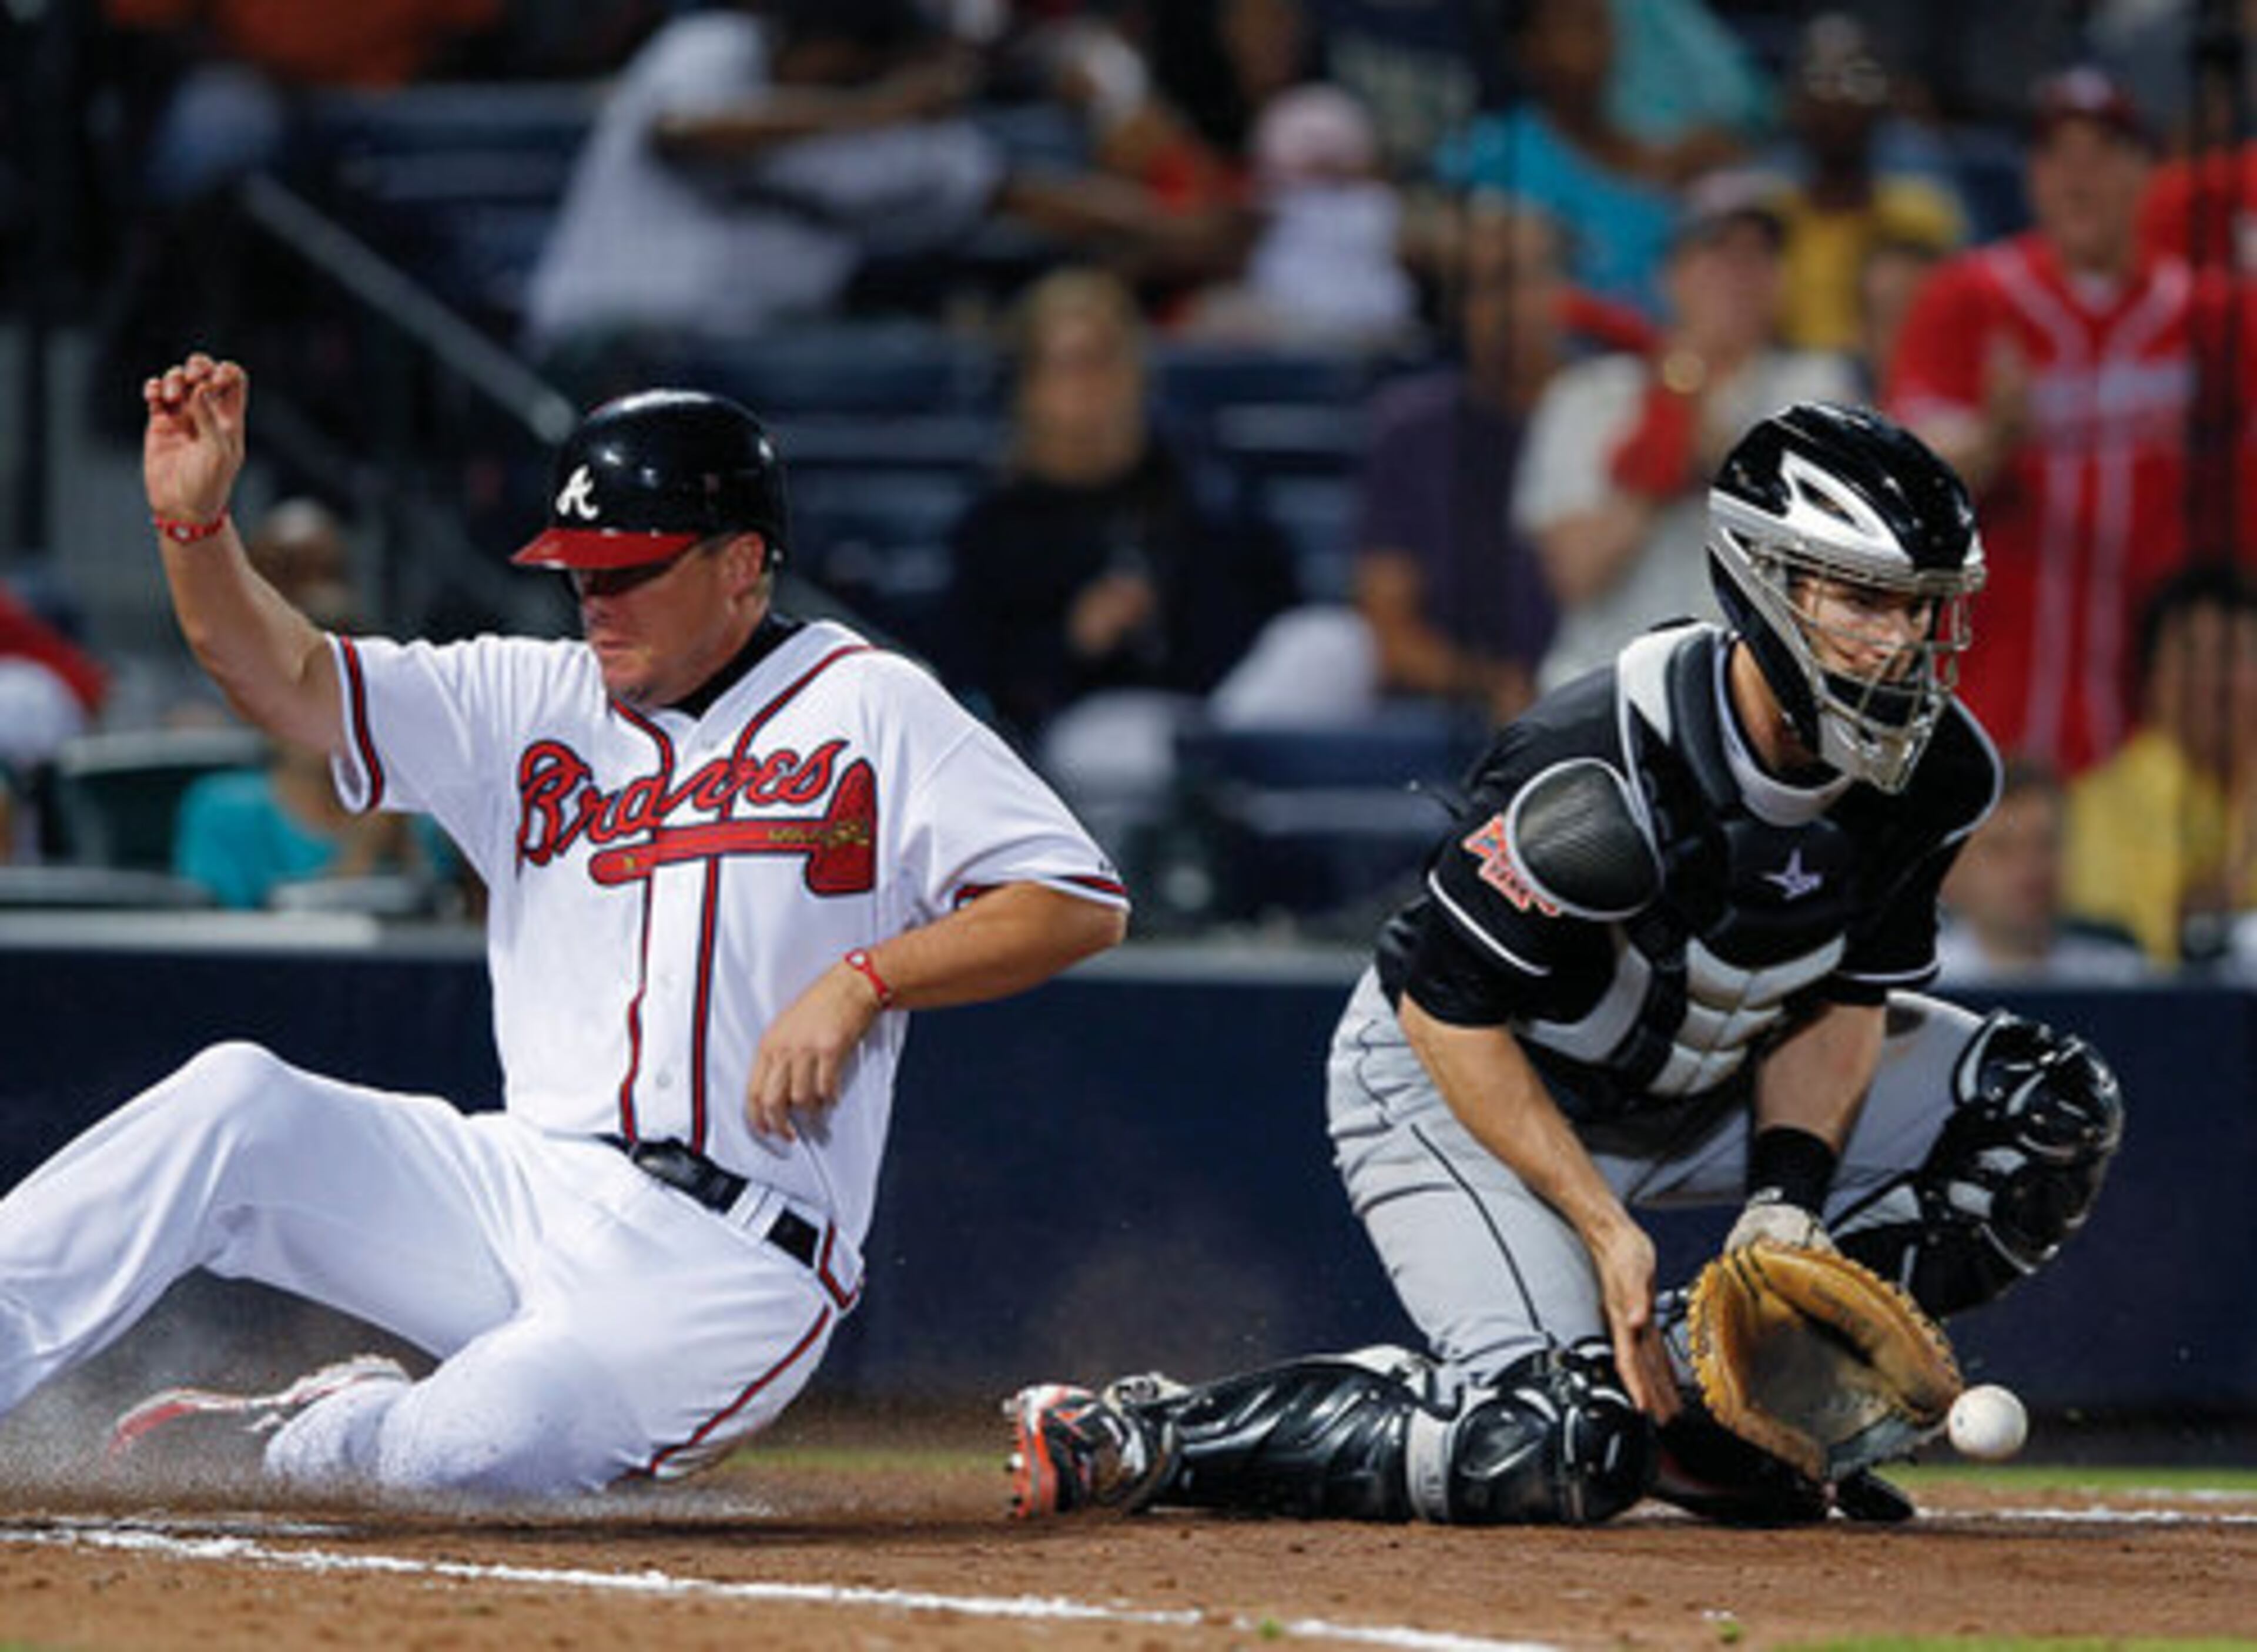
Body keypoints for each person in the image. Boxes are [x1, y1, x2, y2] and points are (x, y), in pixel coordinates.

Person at [0, 353, 1127, 1499]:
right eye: (579, 568)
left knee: (468, 1448)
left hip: (727, 1257)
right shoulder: (529, 696)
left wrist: (865, 976)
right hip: (521, 1179)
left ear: (741, 564)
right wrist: (196, 533)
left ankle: (328, 1429)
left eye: (629, 569)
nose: (595, 596)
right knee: (234, 1103)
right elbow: (286, 676)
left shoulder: (868, 703)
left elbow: (1076, 898)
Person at [1003, 403, 2123, 1528]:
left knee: (2045, 1106)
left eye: (1921, 609)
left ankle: (1721, 1394)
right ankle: (1148, 1437)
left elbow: (1841, 1001)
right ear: (1766, 581)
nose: (1900, 642)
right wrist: (1601, 1226)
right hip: (1463, 1088)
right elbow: (1445, 1006)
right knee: (1547, 1448)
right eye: (1864, 600)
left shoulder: (1938, 778)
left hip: (1698, 1081)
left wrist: (1786, 1208)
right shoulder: (1601, 766)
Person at [1884, 66, 2257, 775]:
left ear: (2149, 172)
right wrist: (1996, 438)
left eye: (2104, 155)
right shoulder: (1967, 300)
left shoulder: (2213, 316)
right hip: (1991, 692)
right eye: (2059, 157)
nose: (2079, 179)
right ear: (2032, 176)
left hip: (2155, 726)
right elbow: (1909, 490)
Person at [940, 267, 1295, 840]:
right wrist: (1076, 641)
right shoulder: (996, 523)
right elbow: (978, 685)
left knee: (1331, 643)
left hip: (1228, 711)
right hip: (1090, 730)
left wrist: (1173, 611)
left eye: (1103, 362)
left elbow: (1275, 612)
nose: (1088, 388)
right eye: (1066, 367)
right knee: (1111, 750)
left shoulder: (1200, 485)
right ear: (1027, 385)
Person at [1518, 169, 1857, 693]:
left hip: (1756, 702)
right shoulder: (1589, 395)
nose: (1739, 275)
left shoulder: (1818, 388)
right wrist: (1664, 434)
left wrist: (1700, 430)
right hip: (1606, 684)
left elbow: (1827, 563)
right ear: (1670, 275)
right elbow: (1578, 571)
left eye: (1760, 256)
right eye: (1717, 253)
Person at [169, 499, 460, 913]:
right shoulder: (224, 813)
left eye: (345, 694)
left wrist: (408, 853)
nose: (329, 715)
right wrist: (360, 858)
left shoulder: (419, 818)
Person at [2063, 563, 2257, 966]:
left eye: (2230, 653)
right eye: (2188, 653)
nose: (2210, 679)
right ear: (2151, 678)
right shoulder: (2093, 809)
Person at [1934, 759, 2148, 983]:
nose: (2029, 867)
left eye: (2045, 843)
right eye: (2001, 849)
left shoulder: (2123, 977)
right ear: (1950, 873)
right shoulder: (1917, 992)